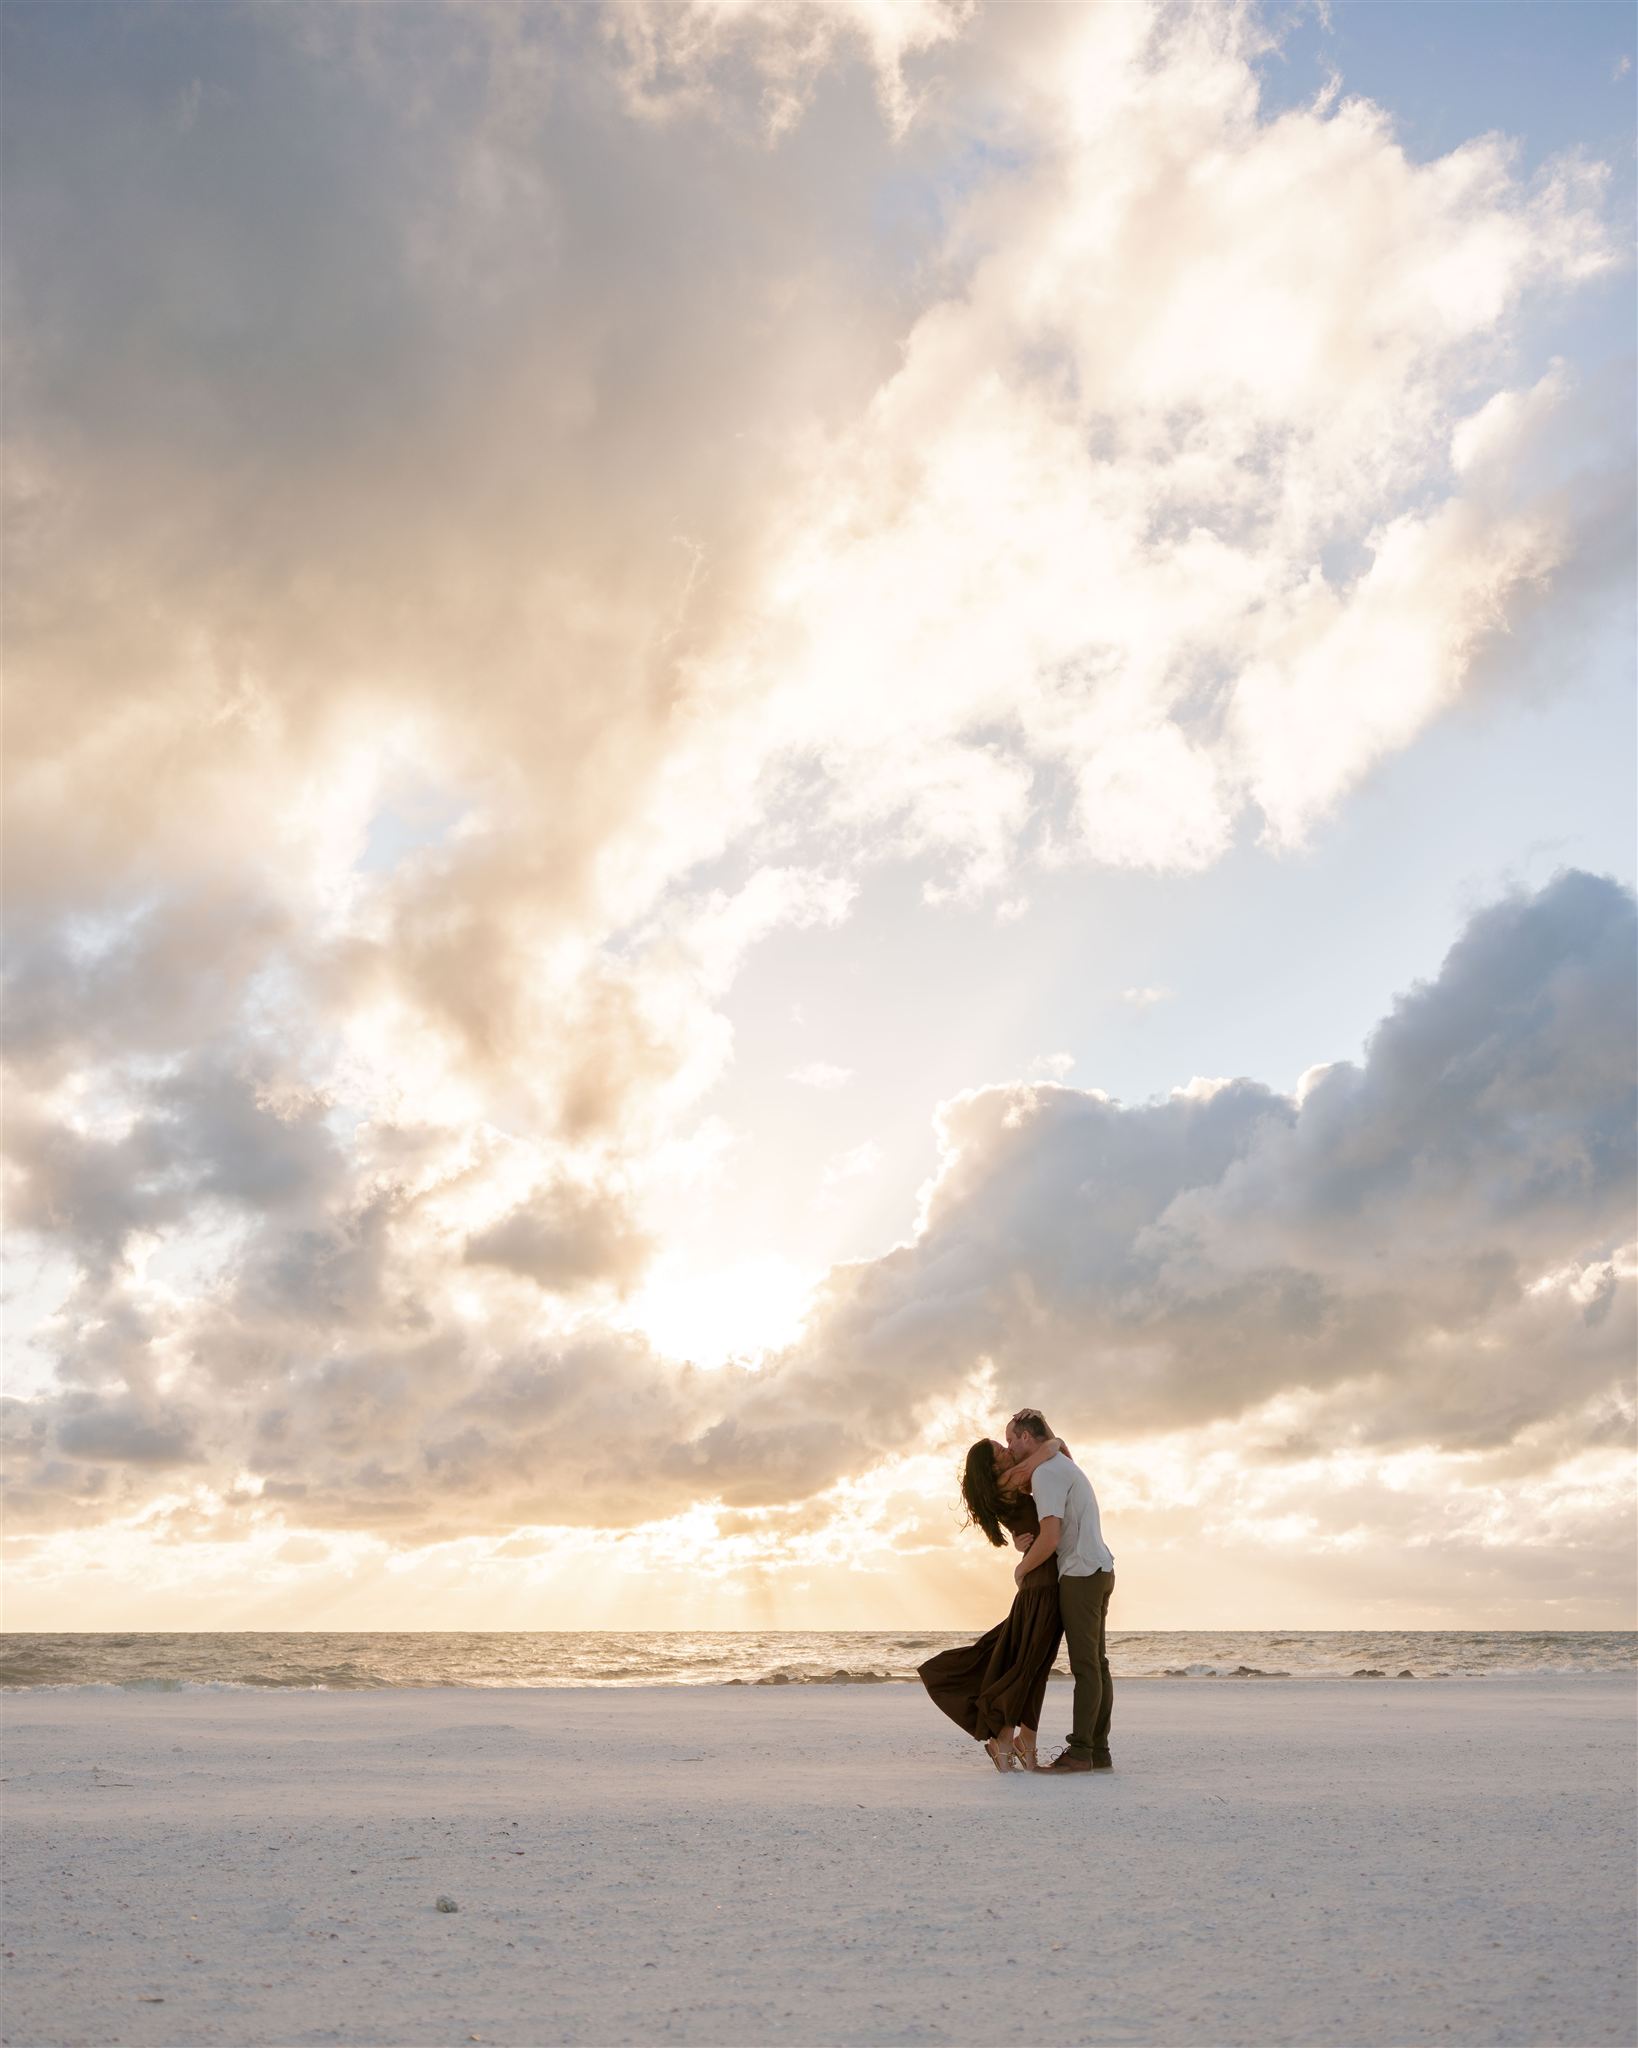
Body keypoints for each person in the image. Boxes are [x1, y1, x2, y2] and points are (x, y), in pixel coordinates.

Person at [916, 1429, 1067, 1770]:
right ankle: (1003, 1739)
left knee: (1033, 1666)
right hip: (1041, 1583)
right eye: (1000, 1449)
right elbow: (1052, 1447)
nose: (1007, 1449)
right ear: (992, 1465)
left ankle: (1022, 1745)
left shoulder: (1005, 1487)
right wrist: (1042, 1435)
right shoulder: (1011, 1480)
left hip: (1044, 1580)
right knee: (1027, 1666)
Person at [1006, 1407, 1115, 1773]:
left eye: (1011, 1440)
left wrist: (1022, 1567)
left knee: (1086, 1667)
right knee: (1097, 1665)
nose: (1010, 1449)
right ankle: (1098, 1752)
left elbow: (1051, 1538)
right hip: (1100, 1568)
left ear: (1025, 1437)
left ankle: (1081, 1752)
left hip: (1080, 1574)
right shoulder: (1063, 1464)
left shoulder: (1047, 1473)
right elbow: (1057, 1444)